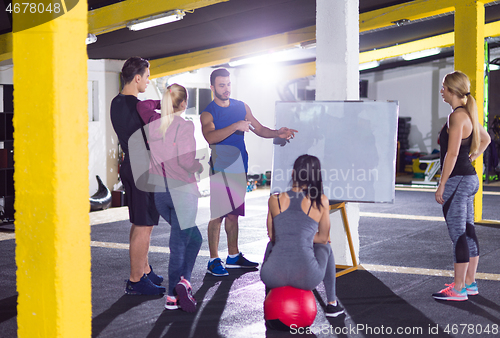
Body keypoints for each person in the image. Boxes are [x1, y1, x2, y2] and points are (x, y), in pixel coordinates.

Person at [200, 68, 298, 276]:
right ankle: (213, 259)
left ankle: (234, 257)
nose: (226, 89)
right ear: (212, 88)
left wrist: (278, 133)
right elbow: (210, 137)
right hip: (220, 167)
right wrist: (235, 126)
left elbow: (260, 129)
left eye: (228, 84)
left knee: (234, 214)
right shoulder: (208, 112)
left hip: (239, 167)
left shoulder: (242, 106)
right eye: (221, 85)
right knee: (217, 215)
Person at [136, 84, 203, 312]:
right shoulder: (184, 126)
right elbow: (186, 161)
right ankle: (174, 294)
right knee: (179, 244)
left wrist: (161, 105)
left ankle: (183, 283)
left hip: (161, 194)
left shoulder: (153, 122)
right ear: (183, 105)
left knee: (193, 239)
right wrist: (199, 165)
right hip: (182, 192)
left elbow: (142, 105)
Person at [260, 154, 344, 317]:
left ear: (293, 173)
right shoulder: (321, 200)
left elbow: (273, 237)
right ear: (316, 176)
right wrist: (303, 237)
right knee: (326, 246)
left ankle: (268, 300)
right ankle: (332, 304)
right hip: (307, 277)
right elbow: (323, 237)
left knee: (271, 246)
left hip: (271, 275)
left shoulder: (274, 199)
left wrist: (295, 235)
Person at [432, 71, 491, 301]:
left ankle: (458, 290)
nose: (441, 92)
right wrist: (472, 159)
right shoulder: (468, 114)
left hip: (458, 181)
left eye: (444, 88)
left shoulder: (456, 117)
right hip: (469, 179)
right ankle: (469, 283)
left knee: (458, 235)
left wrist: (442, 184)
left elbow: (453, 153)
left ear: (452, 91)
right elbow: (486, 139)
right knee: (468, 231)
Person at [110, 57, 165, 295]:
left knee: (141, 222)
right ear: (138, 77)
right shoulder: (136, 107)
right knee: (144, 225)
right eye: (147, 76)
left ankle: (144, 269)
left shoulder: (117, 102)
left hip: (131, 165)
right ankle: (136, 280)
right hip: (142, 167)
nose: (148, 81)